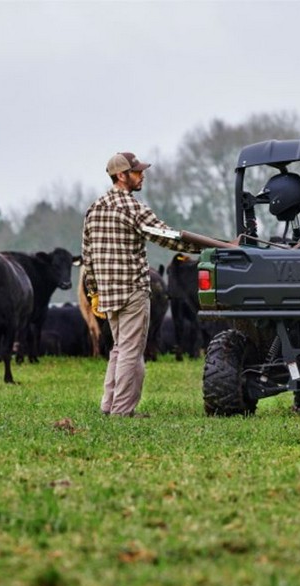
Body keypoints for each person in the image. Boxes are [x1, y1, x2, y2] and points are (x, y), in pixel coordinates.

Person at [81, 151, 203, 417]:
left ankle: (108, 405)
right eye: (137, 172)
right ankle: (123, 410)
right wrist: (205, 246)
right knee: (131, 351)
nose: (142, 175)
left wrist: (93, 291)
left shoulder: (94, 209)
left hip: (107, 293)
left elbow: (87, 256)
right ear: (122, 176)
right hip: (134, 291)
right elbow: (167, 238)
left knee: (118, 348)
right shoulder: (132, 207)